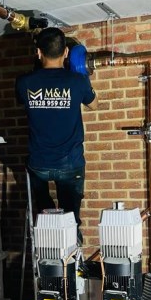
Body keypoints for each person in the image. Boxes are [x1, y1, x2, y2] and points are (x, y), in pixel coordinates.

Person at [15, 27, 98, 245]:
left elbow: (22, 99)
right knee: (71, 220)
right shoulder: (77, 81)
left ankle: (50, 243)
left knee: (46, 218)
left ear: (38, 52)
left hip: (39, 164)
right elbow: (94, 104)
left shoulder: (24, 82)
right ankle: (71, 251)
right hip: (70, 163)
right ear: (66, 52)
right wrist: (80, 75)